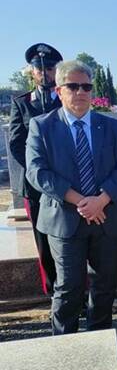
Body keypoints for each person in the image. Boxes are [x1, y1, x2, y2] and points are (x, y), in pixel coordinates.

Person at [25, 60, 117, 335]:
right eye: (73, 86)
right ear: (59, 90)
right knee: (69, 286)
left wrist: (101, 199)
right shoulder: (42, 126)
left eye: (86, 86)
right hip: (65, 219)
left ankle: (100, 341)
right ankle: (66, 346)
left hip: (106, 216)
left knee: (104, 284)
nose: (80, 92)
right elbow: (37, 172)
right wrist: (80, 201)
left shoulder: (110, 127)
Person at [8, 43, 64, 295]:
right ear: (31, 72)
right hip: (36, 187)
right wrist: (39, 173)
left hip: (67, 182)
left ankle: (76, 291)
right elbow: (17, 144)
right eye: (39, 69)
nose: (45, 73)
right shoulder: (22, 103)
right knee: (43, 241)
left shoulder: (68, 98)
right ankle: (53, 292)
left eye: (50, 68)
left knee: (70, 240)